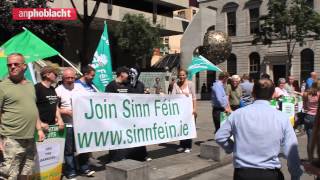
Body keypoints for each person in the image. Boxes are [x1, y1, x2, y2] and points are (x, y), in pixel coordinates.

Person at [216, 79, 303, 180]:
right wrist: (295, 174)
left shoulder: (238, 114)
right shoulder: (282, 118)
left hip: (243, 173)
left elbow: (220, 136)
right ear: (273, 94)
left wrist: (231, 147)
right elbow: (291, 150)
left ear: (253, 93)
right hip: (270, 173)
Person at [0, 53, 45, 179]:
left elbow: (33, 107)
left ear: (24, 66)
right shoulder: (2, 86)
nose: (12, 67)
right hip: (12, 138)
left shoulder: (30, 84)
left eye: (16, 64)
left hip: (30, 137)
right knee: (9, 175)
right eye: (9, 65)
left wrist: (39, 129)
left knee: (26, 172)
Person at [55, 68, 95, 179]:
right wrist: (65, 111)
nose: (70, 80)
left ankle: (84, 168)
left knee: (83, 147)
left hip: (81, 124)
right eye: (67, 78)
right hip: (68, 124)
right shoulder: (58, 90)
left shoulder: (79, 87)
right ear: (63, 78)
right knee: (68, 151)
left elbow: (90, 100)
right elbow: (54, 108)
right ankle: (70, 171)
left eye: (72, 77)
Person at [105, 66, 130, 162]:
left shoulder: (126, 85)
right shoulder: (111, 85)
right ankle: (113, 158)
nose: (128, 76)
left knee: (123, 137)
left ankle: (122, 156)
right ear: (122, 74)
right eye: (127, 73)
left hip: (124, 117)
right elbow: (106, 100)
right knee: (114, 138)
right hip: (114, 117)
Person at [126, 66, 151, 161]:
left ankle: (143, 155)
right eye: (130, 72)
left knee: (140, 136)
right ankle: (130, 155)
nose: (131, 74)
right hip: (128, 115)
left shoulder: (140, 84)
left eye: (134, 72)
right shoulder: (126, 84)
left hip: (139, 115)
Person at [172, 69, 197, 153]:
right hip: (179, 111)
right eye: (180, 75)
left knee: (188, 127)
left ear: (186, 75)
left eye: (183, 75)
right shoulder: (175, 84)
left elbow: (194, 97)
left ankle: (188, 146)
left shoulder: (190, 84)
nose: (181, 77)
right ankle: (182, 145)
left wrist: (194, 109)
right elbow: (172, 96)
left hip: (189, 110)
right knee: (181, 127)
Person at [302, 81, 320, 155]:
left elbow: (305, 107)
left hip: (308, 117)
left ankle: (310, 159)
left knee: (310, 139)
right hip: (317, 117)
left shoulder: (306, 94)